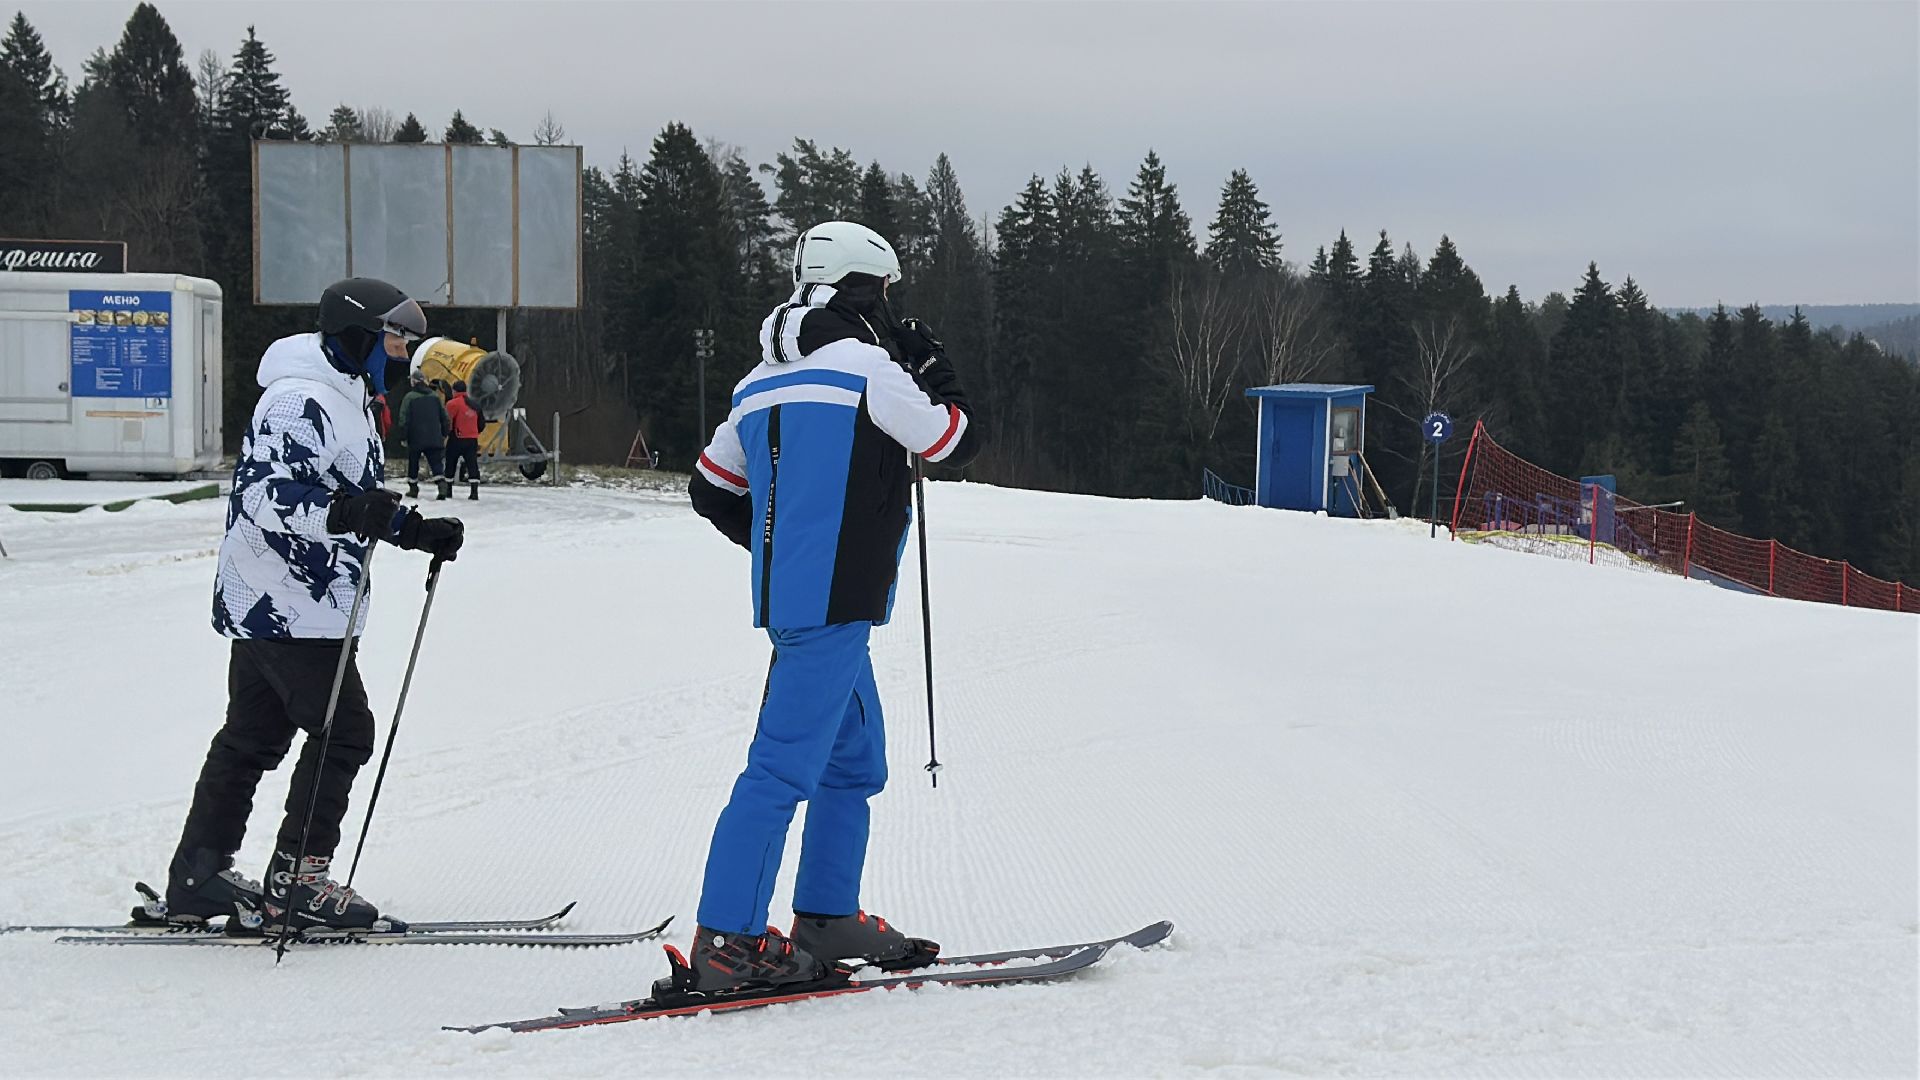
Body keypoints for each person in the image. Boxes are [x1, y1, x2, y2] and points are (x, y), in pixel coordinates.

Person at [679, 220, 983, 992]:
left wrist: (782, 550)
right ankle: (728, 942)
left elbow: (709, 487)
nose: (888, 305)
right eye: (884, 291)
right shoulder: (866, 369)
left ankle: (826, 917)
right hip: (834, 604)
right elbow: (951, 439)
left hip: (805, 602)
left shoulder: (758, 381)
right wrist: (936, 368)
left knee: (854, 761)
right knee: (780, 770)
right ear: (864, 288)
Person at [167, 277, 466, 934]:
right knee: (346, 730)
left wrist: (412, 529)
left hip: (300, 601)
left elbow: (346, 498)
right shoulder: (299, 400)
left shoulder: (348, 398)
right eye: (393, 336)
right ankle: (297, 880)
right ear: (357, 334)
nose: (399, 351)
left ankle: (198, 875)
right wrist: (351, 512)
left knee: (252, 737)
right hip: (284, 604)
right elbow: (264, 499)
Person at [397, 372, 451, 500]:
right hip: (434, 436)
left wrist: (403, 436)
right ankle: (441, 485)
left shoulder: (409, 397)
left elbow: (403, 418)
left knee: (414, 462)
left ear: (414, 382)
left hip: (415, 436)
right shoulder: (435, 396)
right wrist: (443, 433)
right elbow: (444, 417)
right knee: (436, 462)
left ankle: (413, 488)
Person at [444, 380, 485, 501]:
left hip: (456, 438)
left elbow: (448, 422)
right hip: (472, 439)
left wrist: (445, 434)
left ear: (454, 391)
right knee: (472, 464)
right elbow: (481, 423)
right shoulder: (475, 405)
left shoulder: (452, 404)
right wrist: (475, 432)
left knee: (450, 462)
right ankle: (474, 491)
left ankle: (448, 490)